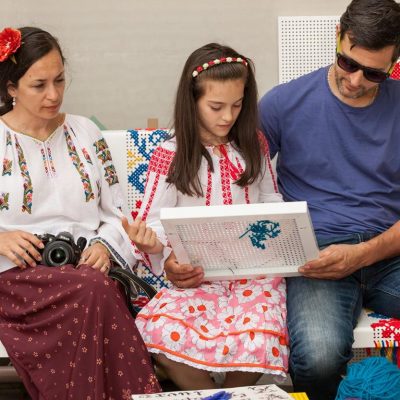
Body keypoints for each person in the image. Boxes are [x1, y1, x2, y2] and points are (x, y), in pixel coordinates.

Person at [0, 26, 161, 399]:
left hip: (87, 270)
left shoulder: (86, 132)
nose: (54, 94)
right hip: (18, 280)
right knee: (94, 291)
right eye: (39, 85)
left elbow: (117, 214)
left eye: (59, 80)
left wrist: (104, 246)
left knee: (94, 287)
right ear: (11, 88)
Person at [122, 43, 288, 390]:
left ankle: (226, 395)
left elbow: (271, 198)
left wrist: (276, 228)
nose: (228, 116)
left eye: (237, 105)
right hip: (196, 278)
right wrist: (157, 248)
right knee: (157, 332)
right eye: (216, 106)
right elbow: (153, 222)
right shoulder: (171, 154)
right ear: (192, 101)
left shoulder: (254, 144)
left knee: (261, 335)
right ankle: (217, 397)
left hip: (254, 278)